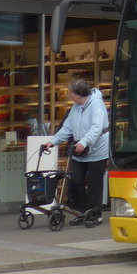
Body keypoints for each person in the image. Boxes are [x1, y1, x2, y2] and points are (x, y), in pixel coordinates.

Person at [42, 79, 108, 224]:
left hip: (97, 149)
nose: (69, 95)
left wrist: (84, 142)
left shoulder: (96, 104)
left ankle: (95, 214)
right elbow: (67, 128)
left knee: (94, 182)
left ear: (79, 94)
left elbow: (96, 127)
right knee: (75, 179)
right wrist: (53, 142)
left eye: (71, 93)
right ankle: (81, 212)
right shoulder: (76, 107)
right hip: (79, 149)